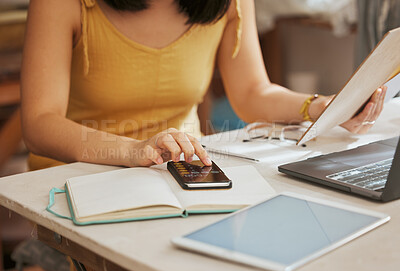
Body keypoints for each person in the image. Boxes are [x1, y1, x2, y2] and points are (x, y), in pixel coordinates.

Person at [21, 0, 385, 170]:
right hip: (77, 175)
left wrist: (322, 107)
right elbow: (38, 124)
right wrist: (133, 151)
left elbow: (252, 94)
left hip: (183, 171)